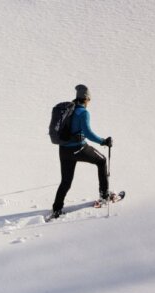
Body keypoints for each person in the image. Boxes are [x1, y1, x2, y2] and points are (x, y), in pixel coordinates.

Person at [50, 84, 115, 219]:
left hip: (63, 150)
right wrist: (103, 141)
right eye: (89, 100)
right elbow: (88, 134)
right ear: (86, 99)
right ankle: (104, 195)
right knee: (102, 160)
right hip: (78, 148)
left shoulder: (69, 109)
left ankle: (57, 209)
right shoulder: (83, 112)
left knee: (66, 181)